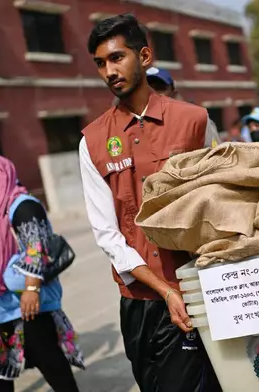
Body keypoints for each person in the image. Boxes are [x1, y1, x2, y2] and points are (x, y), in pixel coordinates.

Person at [79, 14, 221, 392]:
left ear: (143, 56)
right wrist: (165, 290)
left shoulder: (195, 121)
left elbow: (223, 201)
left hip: (203, 287)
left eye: (117, 58)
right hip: (143, 303)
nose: (109, 71)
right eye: (100, 63)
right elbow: (107, 234)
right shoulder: (91, 141)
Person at [0, 153, 84, 392]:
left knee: (51, 364)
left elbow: (36, 247)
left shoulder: (22, 205)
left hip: (24, 307)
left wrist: (31, 289)